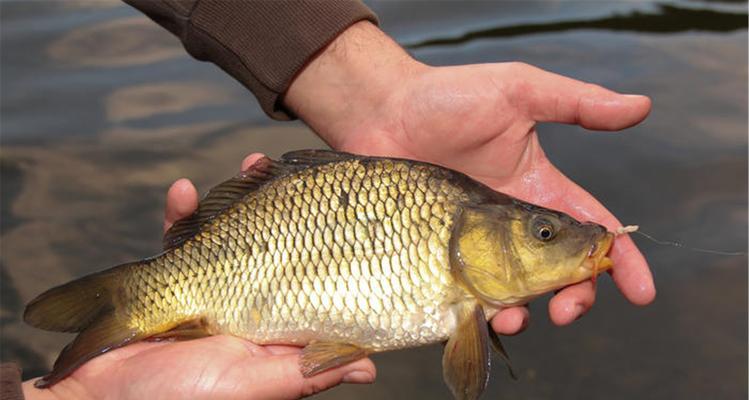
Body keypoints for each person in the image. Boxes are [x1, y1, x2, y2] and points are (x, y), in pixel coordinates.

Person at [11, 1, 655, 399]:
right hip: (234, 273)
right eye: (543, 233)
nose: (558, 238)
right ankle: (129, 307)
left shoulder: (458, 251)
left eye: (544, 234)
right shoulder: (457, 271)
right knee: (155, 299)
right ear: (475, 234)